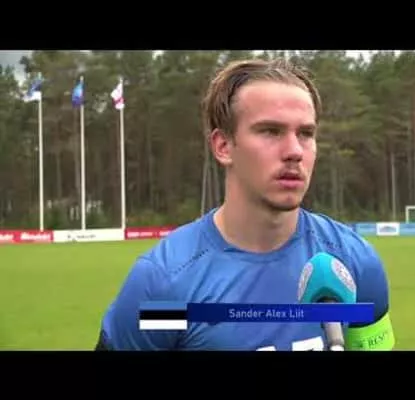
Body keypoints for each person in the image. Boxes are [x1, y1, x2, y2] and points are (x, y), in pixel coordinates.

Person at [94, 57, 395, 351]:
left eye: (305, 133)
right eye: (271, 131)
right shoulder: (165, 287)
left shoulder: (352, 263)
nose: (294, 151)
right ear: (223, 146)